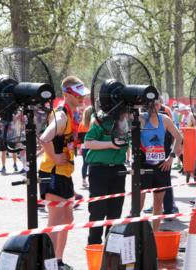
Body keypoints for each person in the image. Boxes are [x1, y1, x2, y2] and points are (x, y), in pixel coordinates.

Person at [38, 76, 89, 269]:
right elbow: (44, 138)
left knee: (68, 219)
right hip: (52, 173)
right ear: (67, 94)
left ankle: (58, 261)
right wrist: (54, 156)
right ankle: (47, 263)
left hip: (65, 173)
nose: (82, 99)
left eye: (83, 95)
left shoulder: (72, 114)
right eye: (78, 96)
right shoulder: (61, 115)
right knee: (55, 221)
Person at [84, 109, 128, 245]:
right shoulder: (100, 119)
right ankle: (94, 245)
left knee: (115, 210)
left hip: (118, 170)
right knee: (98, 210)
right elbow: (88, 142)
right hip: (99, 169)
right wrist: (110, 144)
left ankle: (112, 246)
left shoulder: (128, 120)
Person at [139, 99, 182, 231]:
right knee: (138, 203)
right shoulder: (141, 118)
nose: (154, 107)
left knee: (158, 203)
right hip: (143, 165)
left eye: (157, 104)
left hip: (161, 166)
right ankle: (136, 231)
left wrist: (171, 157)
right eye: (151, 104)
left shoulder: (164, 119)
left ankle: (154, 234)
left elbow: (179, 137)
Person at [78, 106, 93, 189]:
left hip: (84, 146)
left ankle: (84, 181)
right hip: (93, 145)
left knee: (85, 163)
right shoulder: (94, 123)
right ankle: (91, 180)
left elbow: (80, 138)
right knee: (92, 163)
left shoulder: (81, 124)